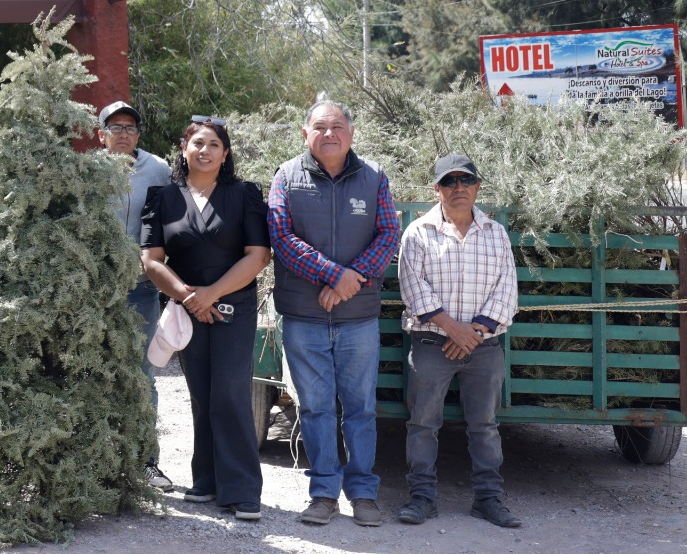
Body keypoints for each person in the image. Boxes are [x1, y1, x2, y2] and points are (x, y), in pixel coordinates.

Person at [267, 99, 400, 527]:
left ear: (351, 133)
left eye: (337, 126)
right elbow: (281, 238)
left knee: (361, 408)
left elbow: (387, 234)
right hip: (304, 316)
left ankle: (363, 492)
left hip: (358, 317)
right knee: (316, 408)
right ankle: (323, 492)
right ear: (305, 133)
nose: (329, 134)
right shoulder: (286, 177)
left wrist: (351, 279)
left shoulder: (375, 176)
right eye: (319, 127)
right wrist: (333, 275)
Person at [140, 117, 270, 520]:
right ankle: (208, 480)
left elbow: (258, 255)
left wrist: (211, 294)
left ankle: (243, 491)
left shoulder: (244, 194)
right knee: (201, 393)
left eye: (214, 144)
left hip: (233, 307)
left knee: (230, 392)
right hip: (185, 309)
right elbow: (151, 260)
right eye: (198, 143)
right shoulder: (162, 197)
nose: (205, 150)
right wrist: (187, 297)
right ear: (184, 149)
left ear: (225, 153)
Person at [396, 153, 522, 529]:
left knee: (485, 425)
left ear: (477, 186)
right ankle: (422, 498)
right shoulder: (418, 233)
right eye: (449, 182)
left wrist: (474, 333)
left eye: (465, 181)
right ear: (436, 189)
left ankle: (488, 500)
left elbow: (507, 292)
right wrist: (455, 330)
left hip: (484, 348)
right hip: (432, 345)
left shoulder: (496, 234)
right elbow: (412, 288)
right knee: (422, 423)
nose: (458, 188)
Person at [98, 100, 174, 489]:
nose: (123, 133)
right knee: (98, 374)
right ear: (101, 135)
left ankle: (147, 462)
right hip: (95, 293)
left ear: (138, 135)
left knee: (143, 374)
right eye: (115, 127)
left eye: (129, 127)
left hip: (141, 290)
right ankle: (99, 464)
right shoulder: (89, 171)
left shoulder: (159, 169)